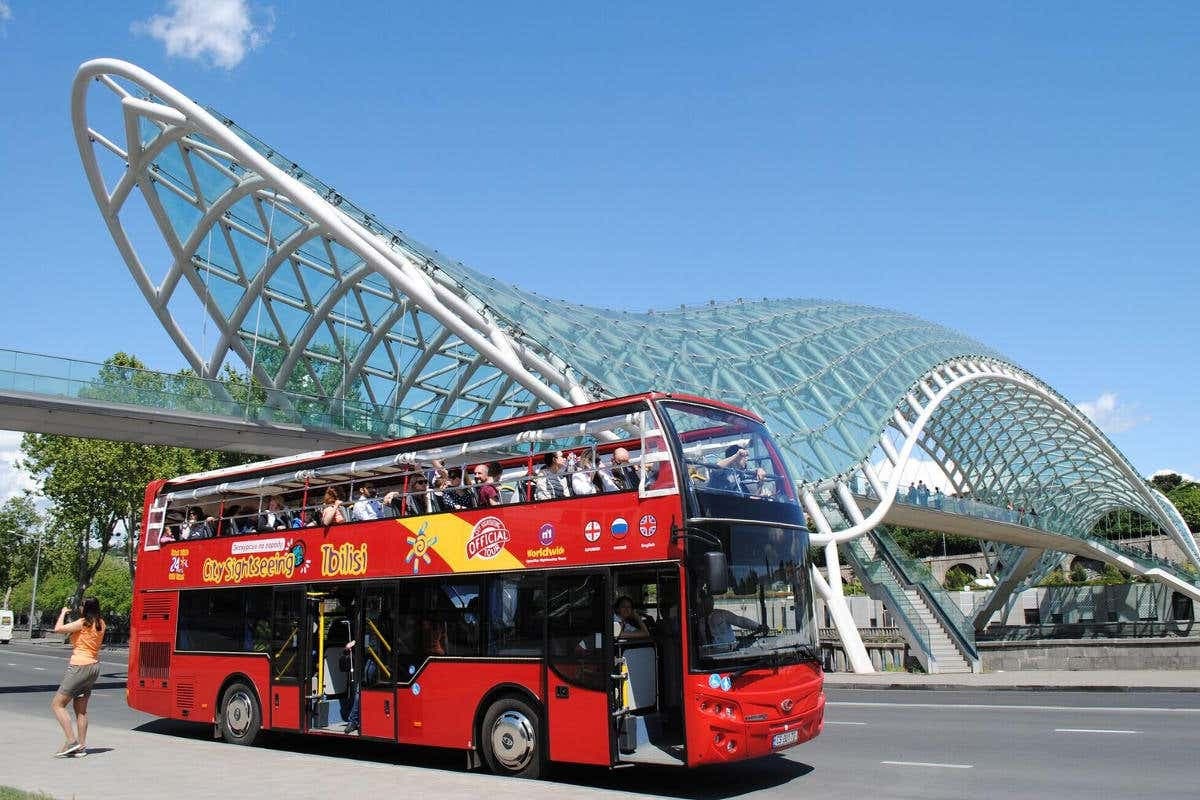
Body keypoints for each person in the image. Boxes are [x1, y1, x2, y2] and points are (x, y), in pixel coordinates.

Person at [50, 598, 106, 757]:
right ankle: (81, 747)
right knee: (81, 710)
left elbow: (58, 629)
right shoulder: (101, 623)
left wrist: (63, 613)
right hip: (93, 667)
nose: (79, 608)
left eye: (81, 606)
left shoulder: (83, 623)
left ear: (85, 608)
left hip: (79, 666)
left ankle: (71, 741)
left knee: (57, 705)